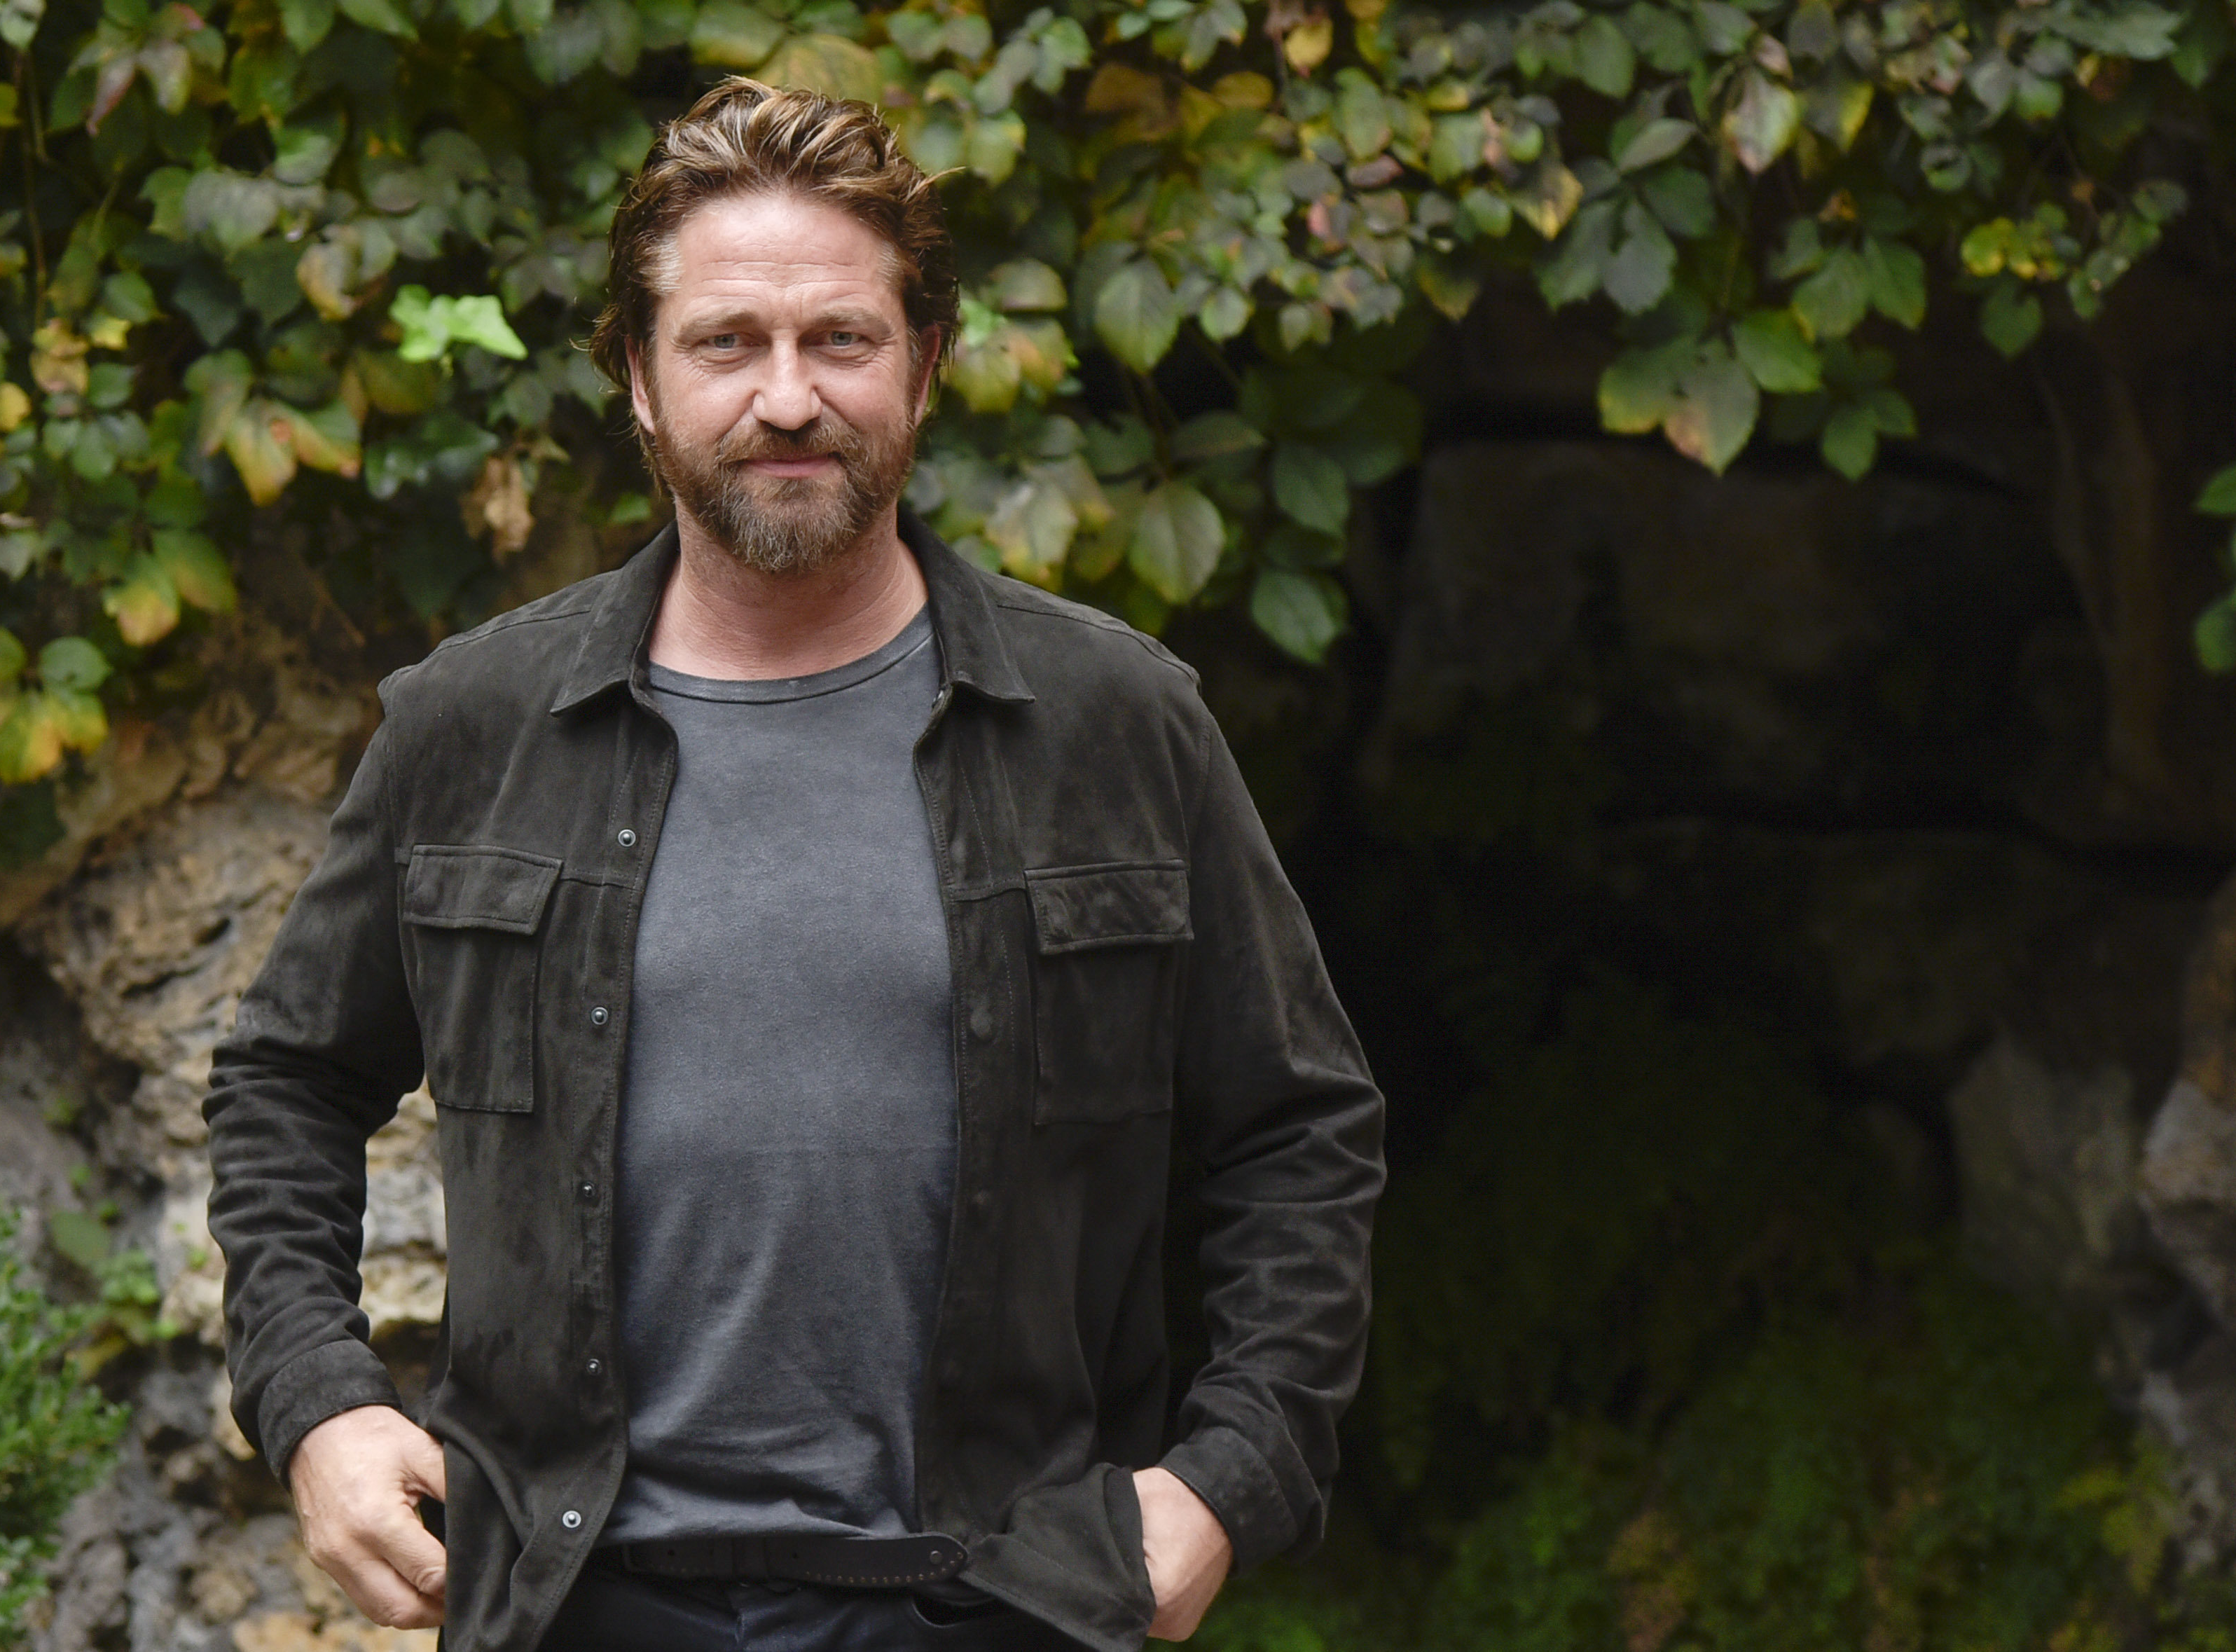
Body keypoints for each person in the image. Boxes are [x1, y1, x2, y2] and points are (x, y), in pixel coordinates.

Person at [205, 77, 1386, 1652]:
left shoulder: (1114, 722)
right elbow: (285, 1081)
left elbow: (1299, 1130)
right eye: (724, 343)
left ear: (926, 362)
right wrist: (316, 1402)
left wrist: (1230, 1475)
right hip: (577, 1603)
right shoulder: (472, 724)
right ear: (637, 378)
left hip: (1001, 1598)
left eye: (840, 338)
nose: (786, 398)